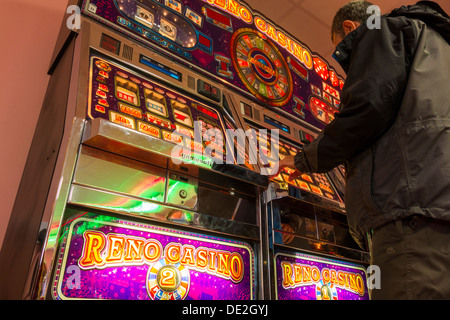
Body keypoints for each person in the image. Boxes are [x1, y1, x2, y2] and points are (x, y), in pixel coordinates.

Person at [271, 1, 450, 299]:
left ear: (350, 29)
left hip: (409, 211)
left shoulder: (380, 31)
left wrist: (300, 159)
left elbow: (366, 109)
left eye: (341, 49)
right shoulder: (438, 45)